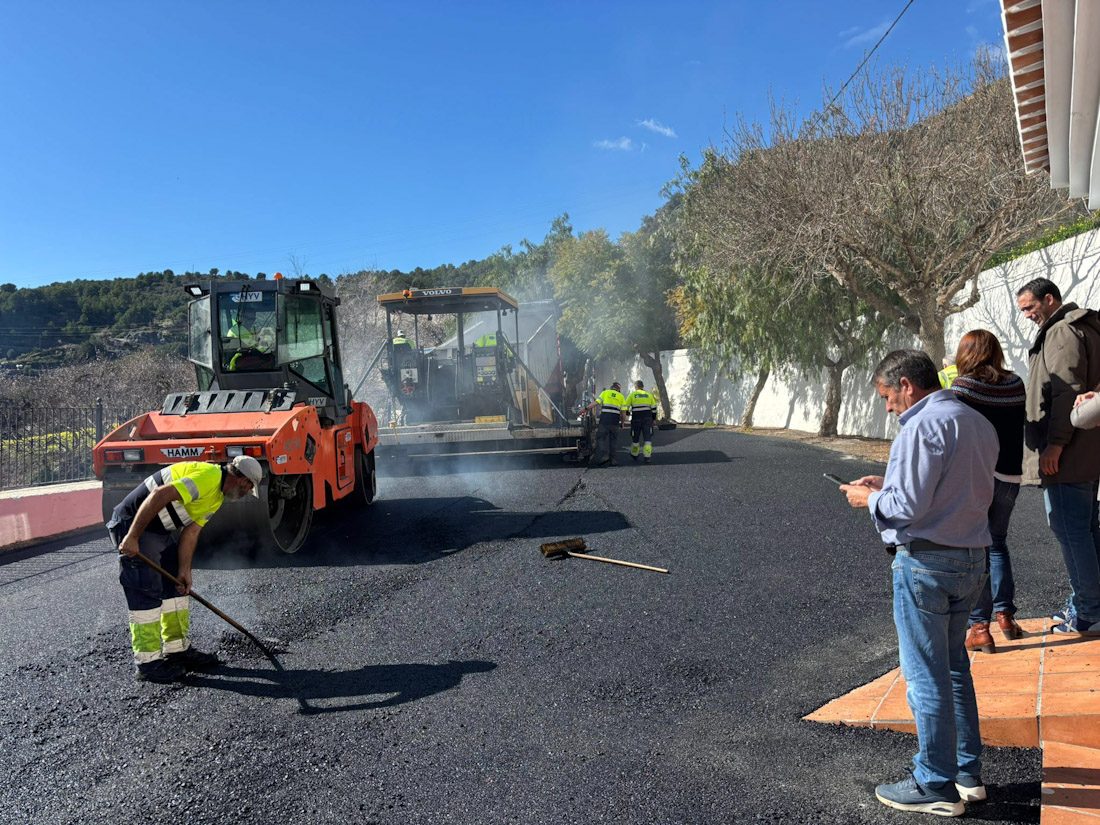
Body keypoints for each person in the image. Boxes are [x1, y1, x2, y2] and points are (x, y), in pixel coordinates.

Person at [840, 350, 997, 817]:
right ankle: (967, 775)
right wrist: (888, 480)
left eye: (887, 396)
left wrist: (869, 499)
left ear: (906, 384)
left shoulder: (919, 426)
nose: (888, 407)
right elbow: (952, 483)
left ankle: (935, 784)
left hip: (926, 563)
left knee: (925, 675)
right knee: (953, 669)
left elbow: (906, 508)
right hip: (972, 559)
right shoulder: (975, 421)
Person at [106, 456, 263, 683]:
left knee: (176, 587)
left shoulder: (217, 497)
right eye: (250, 488)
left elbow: (191, 533)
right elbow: (159, 494)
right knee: (145, 590)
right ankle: (148, 663)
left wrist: (184, 571)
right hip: (134, 524)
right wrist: (132, 536)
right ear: (243, 481)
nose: (248, 493)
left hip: (158, 531)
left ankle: (177, 649)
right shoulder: (208, 478)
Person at [1016, 277, 1100, 635]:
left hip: (1069, 454)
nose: (1028, 316)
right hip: (1085, 452)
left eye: (1031, 308)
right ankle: (1092, 605)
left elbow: (1067, 392)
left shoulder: (1063, 333)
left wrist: (1056, 444)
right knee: (1086, 530)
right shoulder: (1085, 328)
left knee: (1070, 531)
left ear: (1050, 300)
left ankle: (1088, 612)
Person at [950, 330, 1027, 653]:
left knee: (977, 547)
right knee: (997, 544)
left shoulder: (963, 388)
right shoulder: (1015, 384)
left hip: (976, 475)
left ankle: (980, 626)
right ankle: (1005, 615)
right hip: (1010, 474)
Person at [584, 381, 627, 466]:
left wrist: (585, 409)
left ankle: (605, 455)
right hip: (614, 421)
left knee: (601, 439)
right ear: (619, 389)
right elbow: (623, 412)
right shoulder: (621, 397)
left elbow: (596, 403)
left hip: (604, 420)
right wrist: (622, 423)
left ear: (611, 387)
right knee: (613, 440)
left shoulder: (605, 393)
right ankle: (613, 459)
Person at [625, 380, 658, 463]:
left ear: (636, 387)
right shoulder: (649, 395)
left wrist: (628, 413)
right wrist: (653, 419)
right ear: (643, 386)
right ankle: (647, 456)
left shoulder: (632, 395)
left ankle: (635, 454)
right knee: (647, 437)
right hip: (647, 419)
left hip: (636, 419)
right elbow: (654, 409)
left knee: (635, 437)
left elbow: (625, 407)